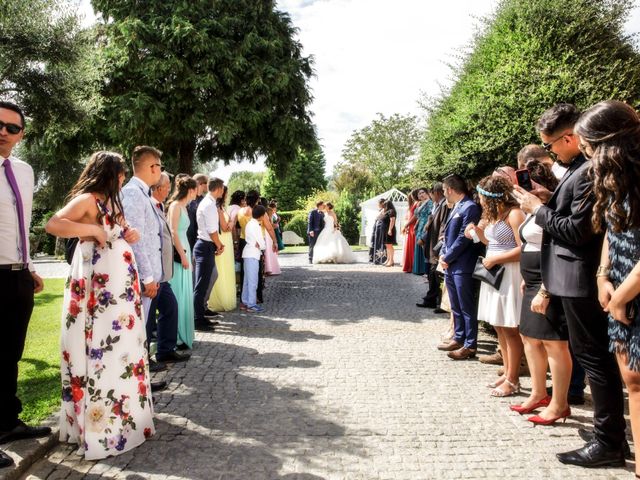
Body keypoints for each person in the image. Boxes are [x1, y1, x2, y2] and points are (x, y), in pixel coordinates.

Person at [513, 103, 626, 467]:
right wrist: (548, 202)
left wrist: (537, 209)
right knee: (591, 358)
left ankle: (608, 441)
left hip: (580, 278)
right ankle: (606, 436)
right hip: (571, 279)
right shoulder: (578, 170)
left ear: (570, 136)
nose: (551, 153)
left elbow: (578, 232)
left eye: (551, 146)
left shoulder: (591, 170)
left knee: (595, 360)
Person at [45, 151, 154, 459]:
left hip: (120, 294)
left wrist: (128, 232)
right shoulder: (88, 200)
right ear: (107, 173)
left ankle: (125, 419)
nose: (122, 179)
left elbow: (118, 231)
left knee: (122, 350)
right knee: (98, 348)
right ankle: (97, 423)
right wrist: (92, 230)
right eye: (119, 174)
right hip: (97, 289)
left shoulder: (112, 201)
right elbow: (53, 224)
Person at [576, 100, 640, 474]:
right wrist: (603, 276)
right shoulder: (617, 181)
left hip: (630, 292)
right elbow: (612, 232)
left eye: (588, 145)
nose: (586, 153)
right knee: (632, 379)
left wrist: (622, 296)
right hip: (620, 289)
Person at [0, 102, 49, 467]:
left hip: (17, 273)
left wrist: (29, 266)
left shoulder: (24, 170)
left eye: (12, 128)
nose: (4, 131)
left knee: (10, 353)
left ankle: (7, 422)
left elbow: (21, 223)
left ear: (21, 135)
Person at [509, 161, 572, 425]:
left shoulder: (553, 209)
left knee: (553, 342)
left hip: (550, 279)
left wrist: (545, 288)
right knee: (529, 337)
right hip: (532, 279)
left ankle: (560, 403)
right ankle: (538, 393)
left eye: (529, 184)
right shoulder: (533, 210)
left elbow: (558, 247)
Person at [466, 176, 525, 397]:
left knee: (511, 328)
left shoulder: (515, 213)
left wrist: (496, 260)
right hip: (494, 271)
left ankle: (514, 379)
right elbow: (491, 243)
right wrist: (477, 232)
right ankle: (507, 372)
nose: (479, 199)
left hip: (509, 272)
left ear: (490, 196)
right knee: (499, 326)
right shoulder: (493, 215)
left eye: (481, 194)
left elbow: (523, 248)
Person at [437, 174, 482, 360]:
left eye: (444, 189)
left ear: (449, 189)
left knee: (466, 305)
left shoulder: (470, 207)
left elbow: (464, 238)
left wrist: (447, 256)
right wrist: (443, 254)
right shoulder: (458, 206)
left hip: (463, 263)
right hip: (451, 263)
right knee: (456, 305)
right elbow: (450, 235)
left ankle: (470, 344)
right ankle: (459, 336)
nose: (443, 193)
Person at [148, 172, 188, 364]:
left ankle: (165, 350)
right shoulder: (149, 205)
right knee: (148, 319)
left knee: (171, 307)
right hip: (153, 274)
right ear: (158, 188)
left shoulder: (159, 206)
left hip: (163, 273)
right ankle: (145, 359)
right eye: (166, 188)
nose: (168, 191)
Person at [167, 175, 197, 349]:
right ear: (190, 190)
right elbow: (173, 232)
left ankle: (185, 334)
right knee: (179, 291)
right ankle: (177, 335)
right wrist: (183, 255)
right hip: (179, 252)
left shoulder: (185, 207)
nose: (196, 193)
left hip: (186, 247)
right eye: (195, 190)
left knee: (186, 290)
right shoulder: (175, 206)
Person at [193, 177, 225, 330]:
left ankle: (200, 316)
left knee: (203, 284)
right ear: (219, 189)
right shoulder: (210, 205)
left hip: (205, 245)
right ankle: (198, 319)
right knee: (201, 285)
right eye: (223, 188)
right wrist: (219, 245)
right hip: (205, 245)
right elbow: (212, 231)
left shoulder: (206, 203)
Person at [417, 183, 448, 309]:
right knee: (432, 273)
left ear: (436, 193)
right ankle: (432, 298)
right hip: (431, 242)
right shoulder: (438, 205)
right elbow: (431, 223)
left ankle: (434, 299)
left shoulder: (444, 205)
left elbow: (442, 226)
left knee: (435, 273)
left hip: (436, 244)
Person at [208, 186, 238, 311]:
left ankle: (226, 297)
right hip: (223, 239)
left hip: (227, 240)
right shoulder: (217, 209)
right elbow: (225, 227)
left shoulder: (222, 208)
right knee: (222, 269)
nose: (226, 196)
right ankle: (220, 299)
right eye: (225, 194)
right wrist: (232, 221)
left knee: (227, 269)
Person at [241, 205, 266, 313]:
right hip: (252, 254)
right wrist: (262, 245)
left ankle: (245, 301)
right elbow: (261, 242)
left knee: (247, 281)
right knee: (253, 281)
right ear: (261, 216)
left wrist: (258, 244)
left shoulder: (250, 223)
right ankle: (251, 304)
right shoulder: (256, 225)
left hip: (248, 254)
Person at [186, 173, 209, 253]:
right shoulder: (188, 200)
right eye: (206, 183)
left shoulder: (204, 200)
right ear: (200, 184)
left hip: (201, 241)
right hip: (190, 241)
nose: (208, 185)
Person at [412, 188, 432, 274]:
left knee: (425, 247)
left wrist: (427, 225)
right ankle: (421, 270)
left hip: (425, 226)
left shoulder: (430, 202)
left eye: (423, 192)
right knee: (420, 247)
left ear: (427, 193)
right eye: (419, 194)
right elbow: (417, 216)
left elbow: (430, 215)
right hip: (420, 226)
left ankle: (427, 271)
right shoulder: (420, 203)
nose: (421, 195)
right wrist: (416, 225)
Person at [401, 190, 419, 272]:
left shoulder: (417, 203)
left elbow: (415, 216)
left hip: (413, 226)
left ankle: (412, 266)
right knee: (409, 246)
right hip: (409, 226)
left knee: (412, 247)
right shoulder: (413, 204)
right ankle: (409, 266)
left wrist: (406, 224)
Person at [263, 198, 281, 276]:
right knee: (269, 250)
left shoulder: (257, 210)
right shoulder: (268, 210)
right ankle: (270, 268)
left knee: (266, 251)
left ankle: (266, 268)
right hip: (268, 232)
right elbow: (270, 224)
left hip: (263, 232)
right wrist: (277, 222)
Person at [369, 198, 388, 265]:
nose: (378, 205)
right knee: (374, 242)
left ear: (382, 203)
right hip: (376, 227)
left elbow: (379, 217)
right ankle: (374, 258)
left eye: (379, 204)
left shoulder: (385, 210)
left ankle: (380, 259)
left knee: (379, 242)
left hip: (380, 228)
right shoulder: (380, 210)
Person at [382, 200, 397, 267]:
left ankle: (391, 260)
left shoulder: (391, 211)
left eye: (384, 205)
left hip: (389, 230)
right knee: (387, 245)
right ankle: (388, 259)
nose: (384, 206)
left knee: (389, 245)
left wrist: (390, 230)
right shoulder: (387, 211)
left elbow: (392, 220)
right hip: (386, 230)